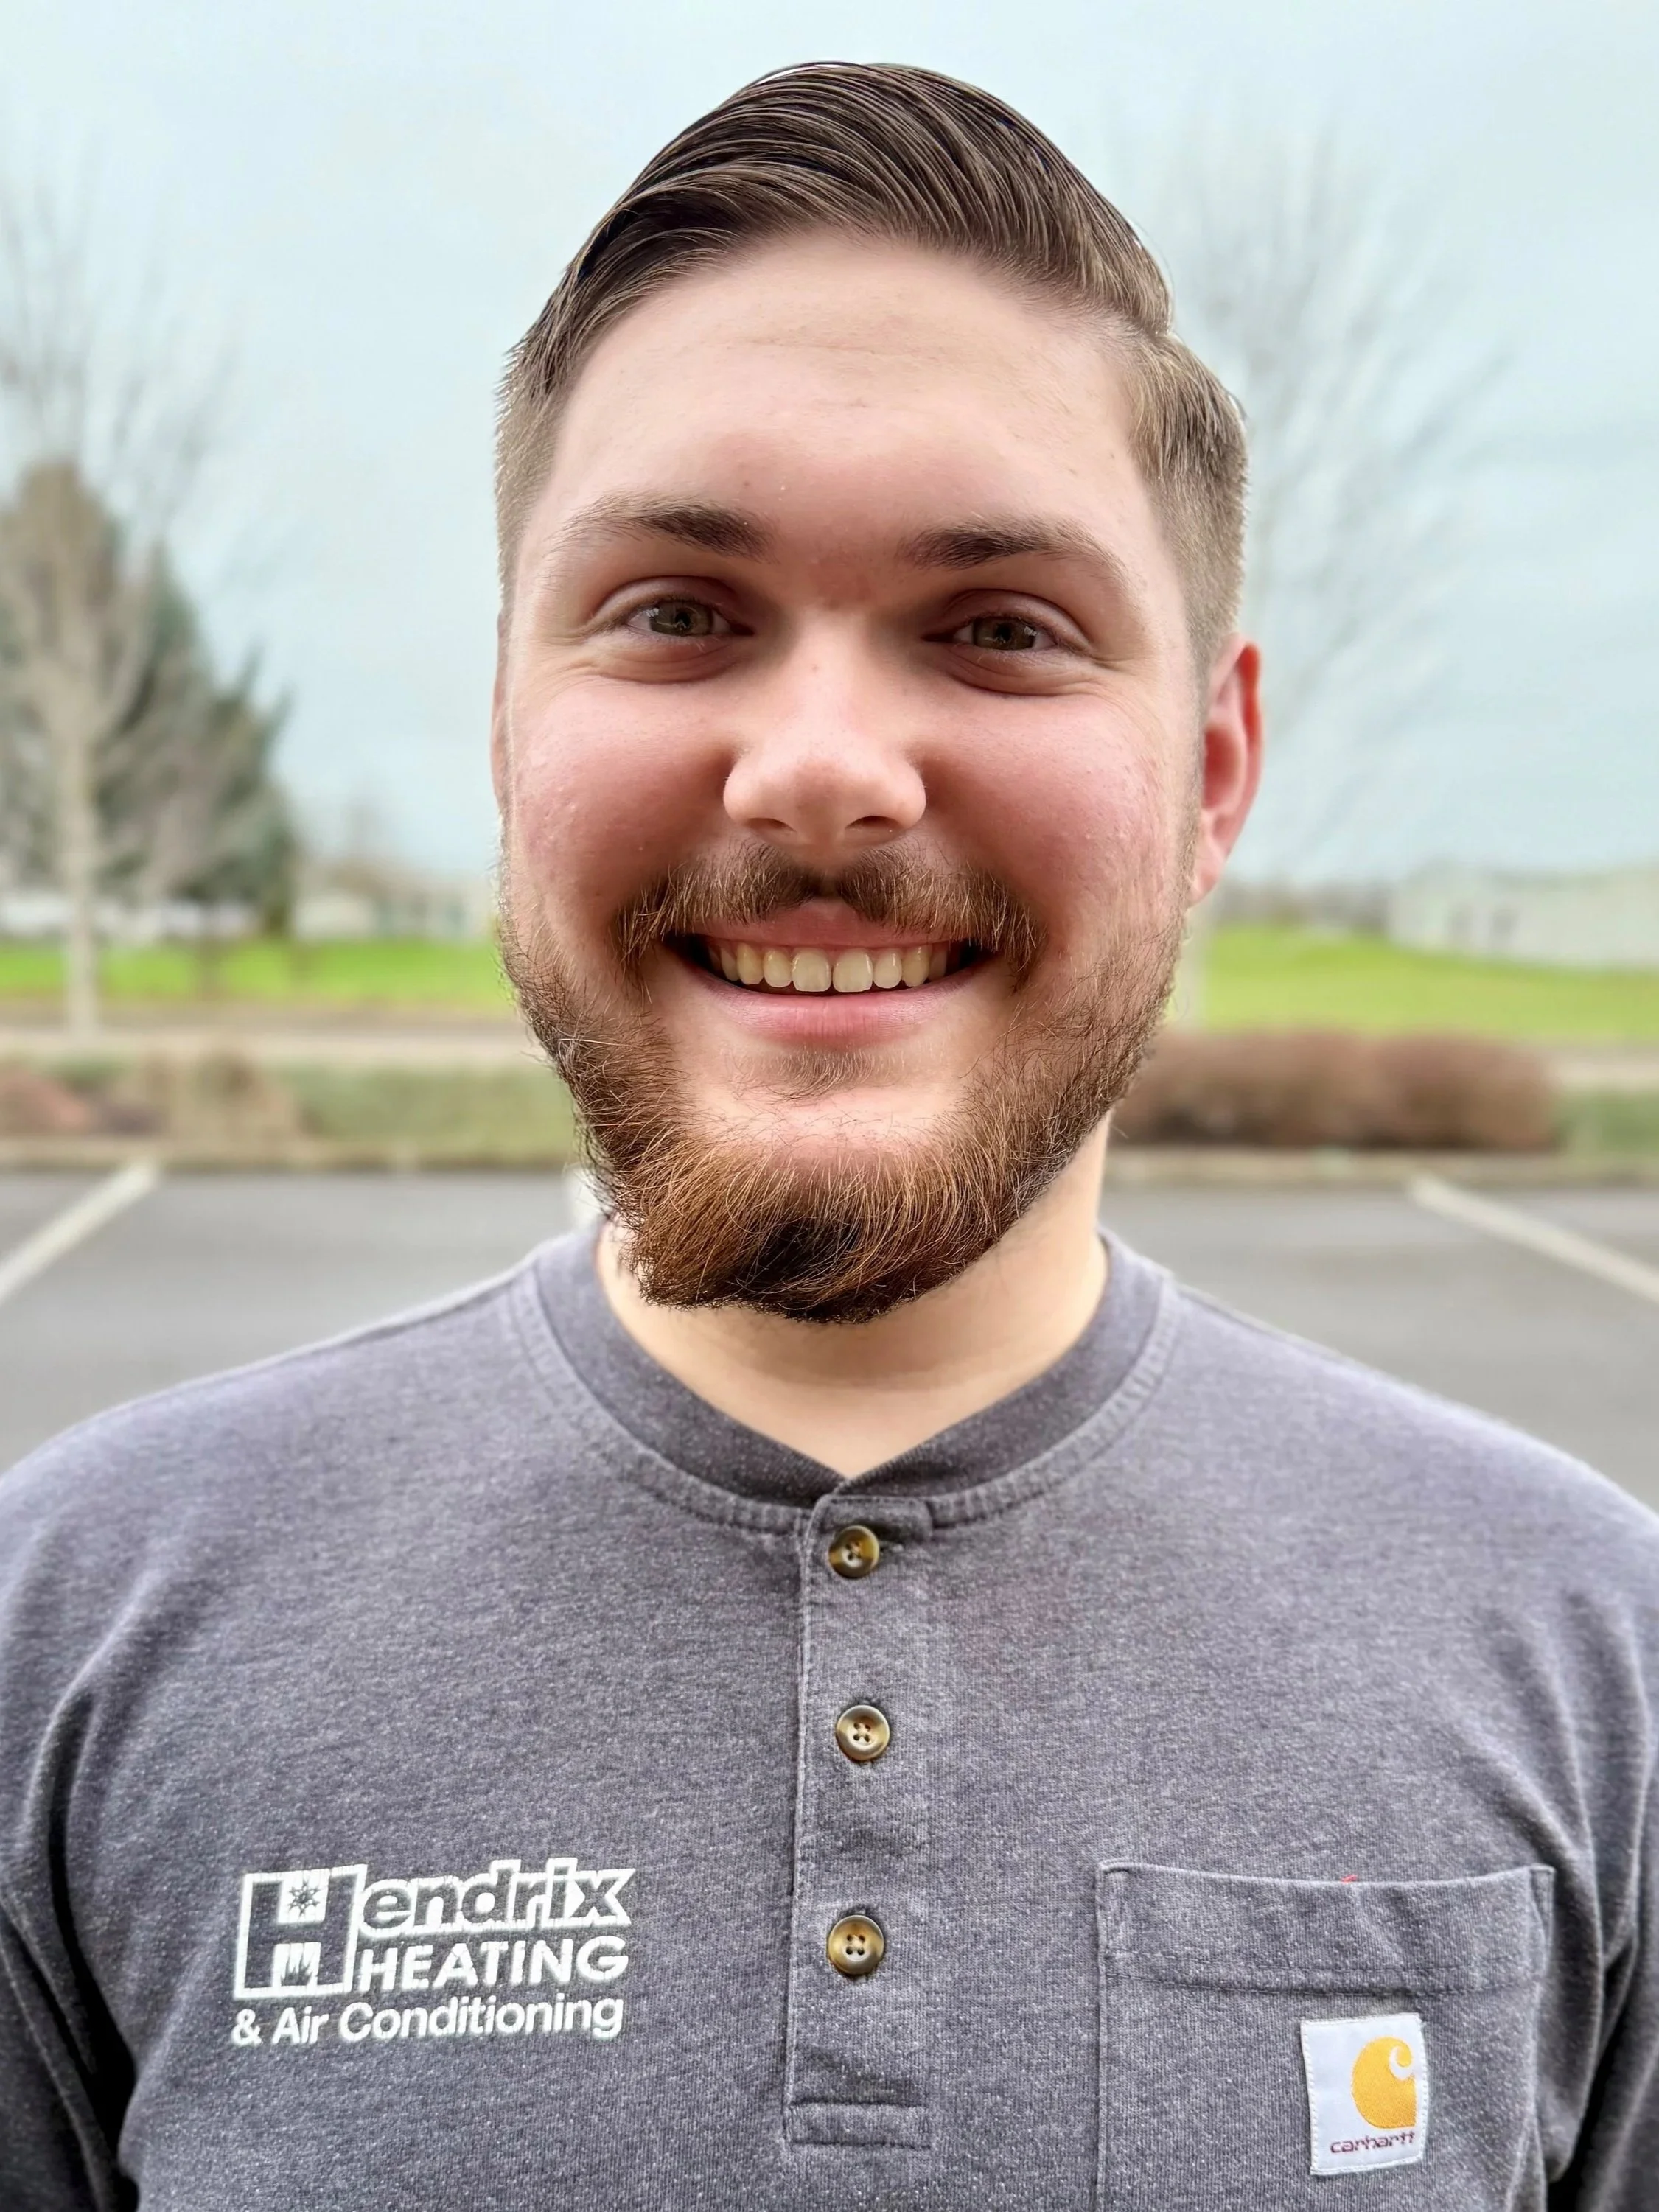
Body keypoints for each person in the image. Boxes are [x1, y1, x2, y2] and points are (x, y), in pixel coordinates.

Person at [0, 60, 1654, 2211]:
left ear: (1217, 768)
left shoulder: (1590, 1656)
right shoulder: (75, 1629)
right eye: (680, 609)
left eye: (1003, 629)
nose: (821, 773)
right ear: (509, 730)